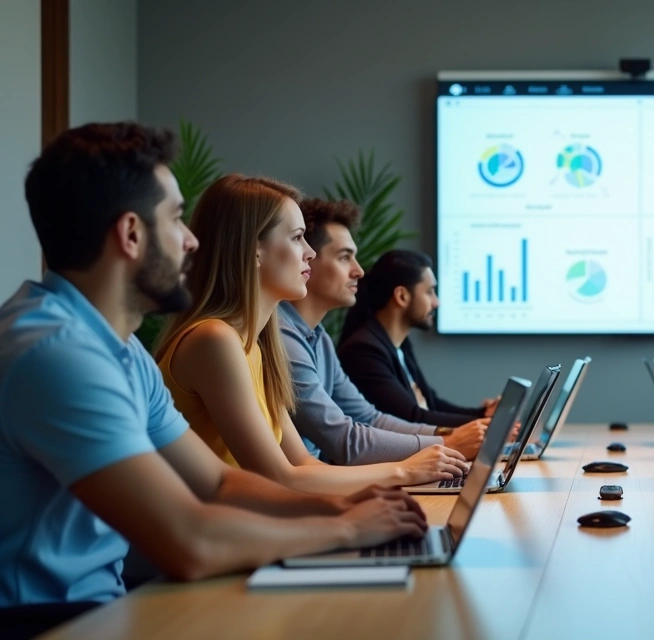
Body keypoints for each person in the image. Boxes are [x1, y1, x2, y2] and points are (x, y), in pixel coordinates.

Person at [0, 123, 426, 636]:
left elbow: (219, 480)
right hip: (41, 622)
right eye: (176, 219)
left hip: (100, 606)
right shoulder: (58, 356)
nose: (191, 240)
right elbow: (189, 541)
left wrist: (343, 505)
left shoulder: (121, 348)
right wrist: (344, 527)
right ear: (131, 234)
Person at [155, 175, 468, 494]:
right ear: (254, 251)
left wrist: (407, 474)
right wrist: (404, 472)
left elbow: (303, 464)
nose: (310, 253)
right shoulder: (214, 340)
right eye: (296, 238)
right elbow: (279, 477)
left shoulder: (257, 344)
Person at [279, 198, 487, 464]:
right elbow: (344, 440)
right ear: (308, 260)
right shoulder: (282, 338)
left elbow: (369, 418)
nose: (359, 271)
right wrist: (446, 442)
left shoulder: (320, 339)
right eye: (344, 257)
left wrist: (453, 436)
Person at [337, 250, 498, 425]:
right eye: (430, 292)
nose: (436, 302)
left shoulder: (401, 344)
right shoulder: (363, 351)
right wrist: (487, 425)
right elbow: (412, 418)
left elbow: (431, 403)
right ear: (402, 296)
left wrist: (485, 414)